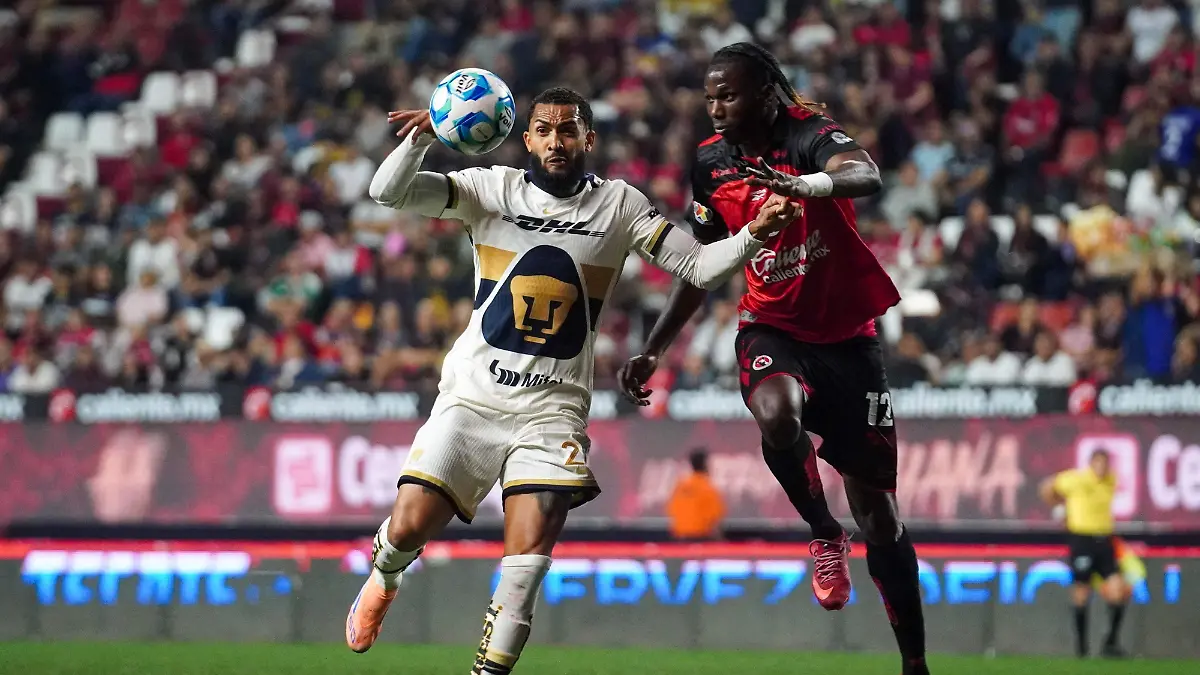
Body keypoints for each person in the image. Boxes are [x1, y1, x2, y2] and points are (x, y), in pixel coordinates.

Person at [345, 86, 800, 673]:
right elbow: (387, 191)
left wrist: (755, 231)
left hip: (552, 410)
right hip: (473, 399)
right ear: (527, 139)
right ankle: (385, 575)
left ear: (589, 138)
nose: (555, 142)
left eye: (568, 130)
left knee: (527, 563)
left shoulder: (618, 205)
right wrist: (423, 137)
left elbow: (698, 266)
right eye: (544, 131)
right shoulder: (490, 189)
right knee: (408, 527)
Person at [617, 43, 930, 675]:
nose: (715, 108)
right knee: (778, 414)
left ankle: (914, 663)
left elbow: (865, 173)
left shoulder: (808, 135)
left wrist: (804, 184)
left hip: (849, 341)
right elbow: (701, 265)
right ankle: (823, 532)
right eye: (710, 97)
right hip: (771, 326)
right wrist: (653, 348)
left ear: (765, 94)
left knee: (881, 518)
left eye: (728, 95)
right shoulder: (711, 163)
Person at [1040, 449, 1129, 658]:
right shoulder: (1076, 479)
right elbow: (1047, 487)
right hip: (1082, 539)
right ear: (1091, 464)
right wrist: (1059, 510)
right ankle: (1081, 648)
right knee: (1082, 592)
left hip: (1105, 540)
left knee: (1118, 590)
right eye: (1097, 463)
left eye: (1104, 464)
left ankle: (1110, 642)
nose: (1101, 468)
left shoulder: (1111, 480)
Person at [666, 448, 726, 540]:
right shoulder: (708, 487)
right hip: (701, 538)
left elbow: (671, 510)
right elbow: (715, 517)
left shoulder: (680, 486)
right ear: (705, 464)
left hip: (680, 538)